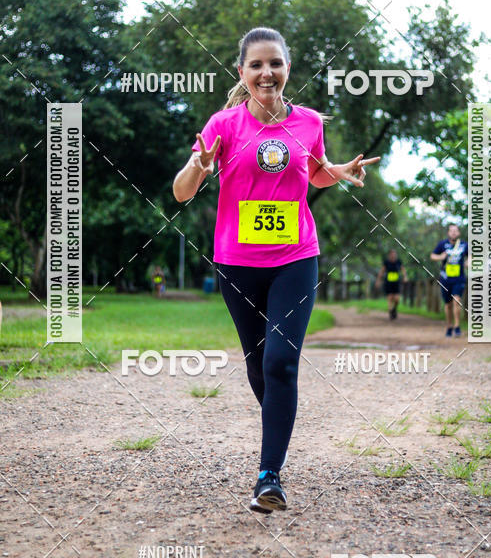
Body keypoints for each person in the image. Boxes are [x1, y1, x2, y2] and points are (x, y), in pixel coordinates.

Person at [172, 27, 380, 513]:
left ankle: (269, 476)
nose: (267, 73)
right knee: (257, 364)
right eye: (256, 65)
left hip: (295, 258)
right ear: (241, 72)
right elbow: (182, 192)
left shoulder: (308, 122)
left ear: (288, 68)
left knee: (280, 363)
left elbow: (315, 172)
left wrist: (340, 173)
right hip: (237, 263)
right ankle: (279, 427)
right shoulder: (223, 125)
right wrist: (200, 166)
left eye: (276, 64)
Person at [430, 223, 469, 337]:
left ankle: (457, 326)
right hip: (445, 279)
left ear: (459, 233)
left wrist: (469, 261)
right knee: (447, 304)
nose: (453, 232)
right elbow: (432, 256)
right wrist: (440, 257)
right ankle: (449, 325)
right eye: (451, 230)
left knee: (456, 300)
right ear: (448, 233)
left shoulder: (464, 245)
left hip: (459, 278)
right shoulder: (442, 244)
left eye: (455, 231)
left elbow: (471, 255)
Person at [376, 249, 408, 320]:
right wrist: (378, 280)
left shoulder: (398, 262)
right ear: (389, 255)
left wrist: (405, 277)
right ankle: (390, 311)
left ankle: (394, 309)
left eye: (394, 254)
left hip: (396, 282)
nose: (393, 255)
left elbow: (403, 270)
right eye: (392, 254)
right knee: (390, 297)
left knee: (397, 298)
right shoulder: (386, 262)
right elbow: (382, 271)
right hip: (388, 282)